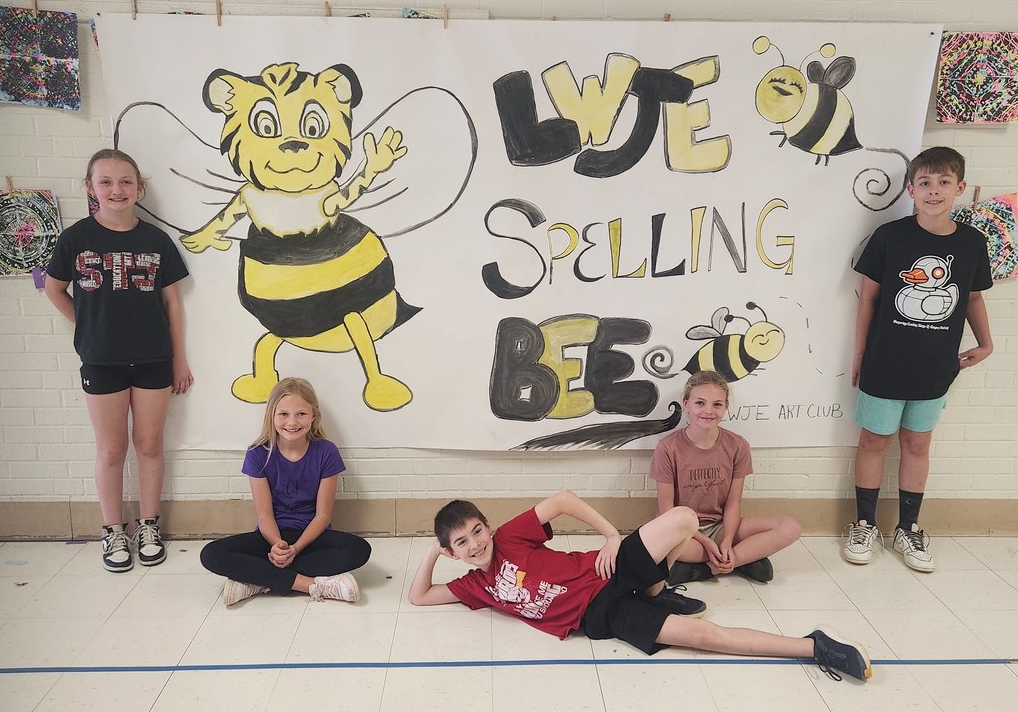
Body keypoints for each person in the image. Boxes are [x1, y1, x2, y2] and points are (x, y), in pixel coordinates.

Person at [409, 490, 871, 682]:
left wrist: (611, 535)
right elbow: (420, 596)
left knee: (684, 519)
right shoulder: (475, 586)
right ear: (453, 551)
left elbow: (564, 499)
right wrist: (434, 553)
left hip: (606, 572)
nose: (474, 544)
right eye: (460, 543)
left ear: (487, 527)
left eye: (476, 532)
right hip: (601, 618)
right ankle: (814, 647)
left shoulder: (510, 535)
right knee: (705, 638)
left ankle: (657, 584)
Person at [845, 146, 993, 573]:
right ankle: (864, 523)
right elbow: (868, 298)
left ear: (959, 189)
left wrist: (986, 344)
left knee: (917, 445)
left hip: (935, 367)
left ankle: (908, 528)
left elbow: (973, 297)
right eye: (924, 183)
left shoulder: (971, 243)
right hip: (884, 362)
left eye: (944, 182)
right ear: (911, 189)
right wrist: (859, 353)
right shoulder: (890, 236)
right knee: (874, 441)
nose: (934, 191)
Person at [45, 148, 193, 572]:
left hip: (154, 359)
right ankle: (113, 531)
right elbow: (54, 289)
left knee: (149, 444)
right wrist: (85, 327)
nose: (116, 189)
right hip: (101, 360)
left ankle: (149, 525)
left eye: (126, 181)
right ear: (90, 188)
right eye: (106, 182)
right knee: (111, 450)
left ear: (139, 188)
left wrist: (179, 359)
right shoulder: (75, 238)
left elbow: (173, 304)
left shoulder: (156, 240)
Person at [200, 377, 371, 606]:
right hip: (271, 539)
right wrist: (277, 546)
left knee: (359, 549)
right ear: (272, 416)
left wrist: (295, 549)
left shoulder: (326, 452)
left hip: (310, 539)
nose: (292, 422)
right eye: (283, 414)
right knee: (210, 554)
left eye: (301, 414)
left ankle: (257, 580)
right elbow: (264, 515)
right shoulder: (257, 453)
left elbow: (323, 516)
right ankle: (310, 585)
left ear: (313, 416)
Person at [649, 370, 800, 587]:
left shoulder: (737, 445)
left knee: (790, 527)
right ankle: (744, 560)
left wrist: (727, 541)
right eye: (700, 403)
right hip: (682, 533)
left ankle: (717, 565)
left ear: (725, 406)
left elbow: (733, 503)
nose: (708, 411)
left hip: (721, 527)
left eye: (717, 404)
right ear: (686, 404)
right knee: (654, 546)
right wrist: (706, 543)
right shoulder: (668, 447)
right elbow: (666, 510)